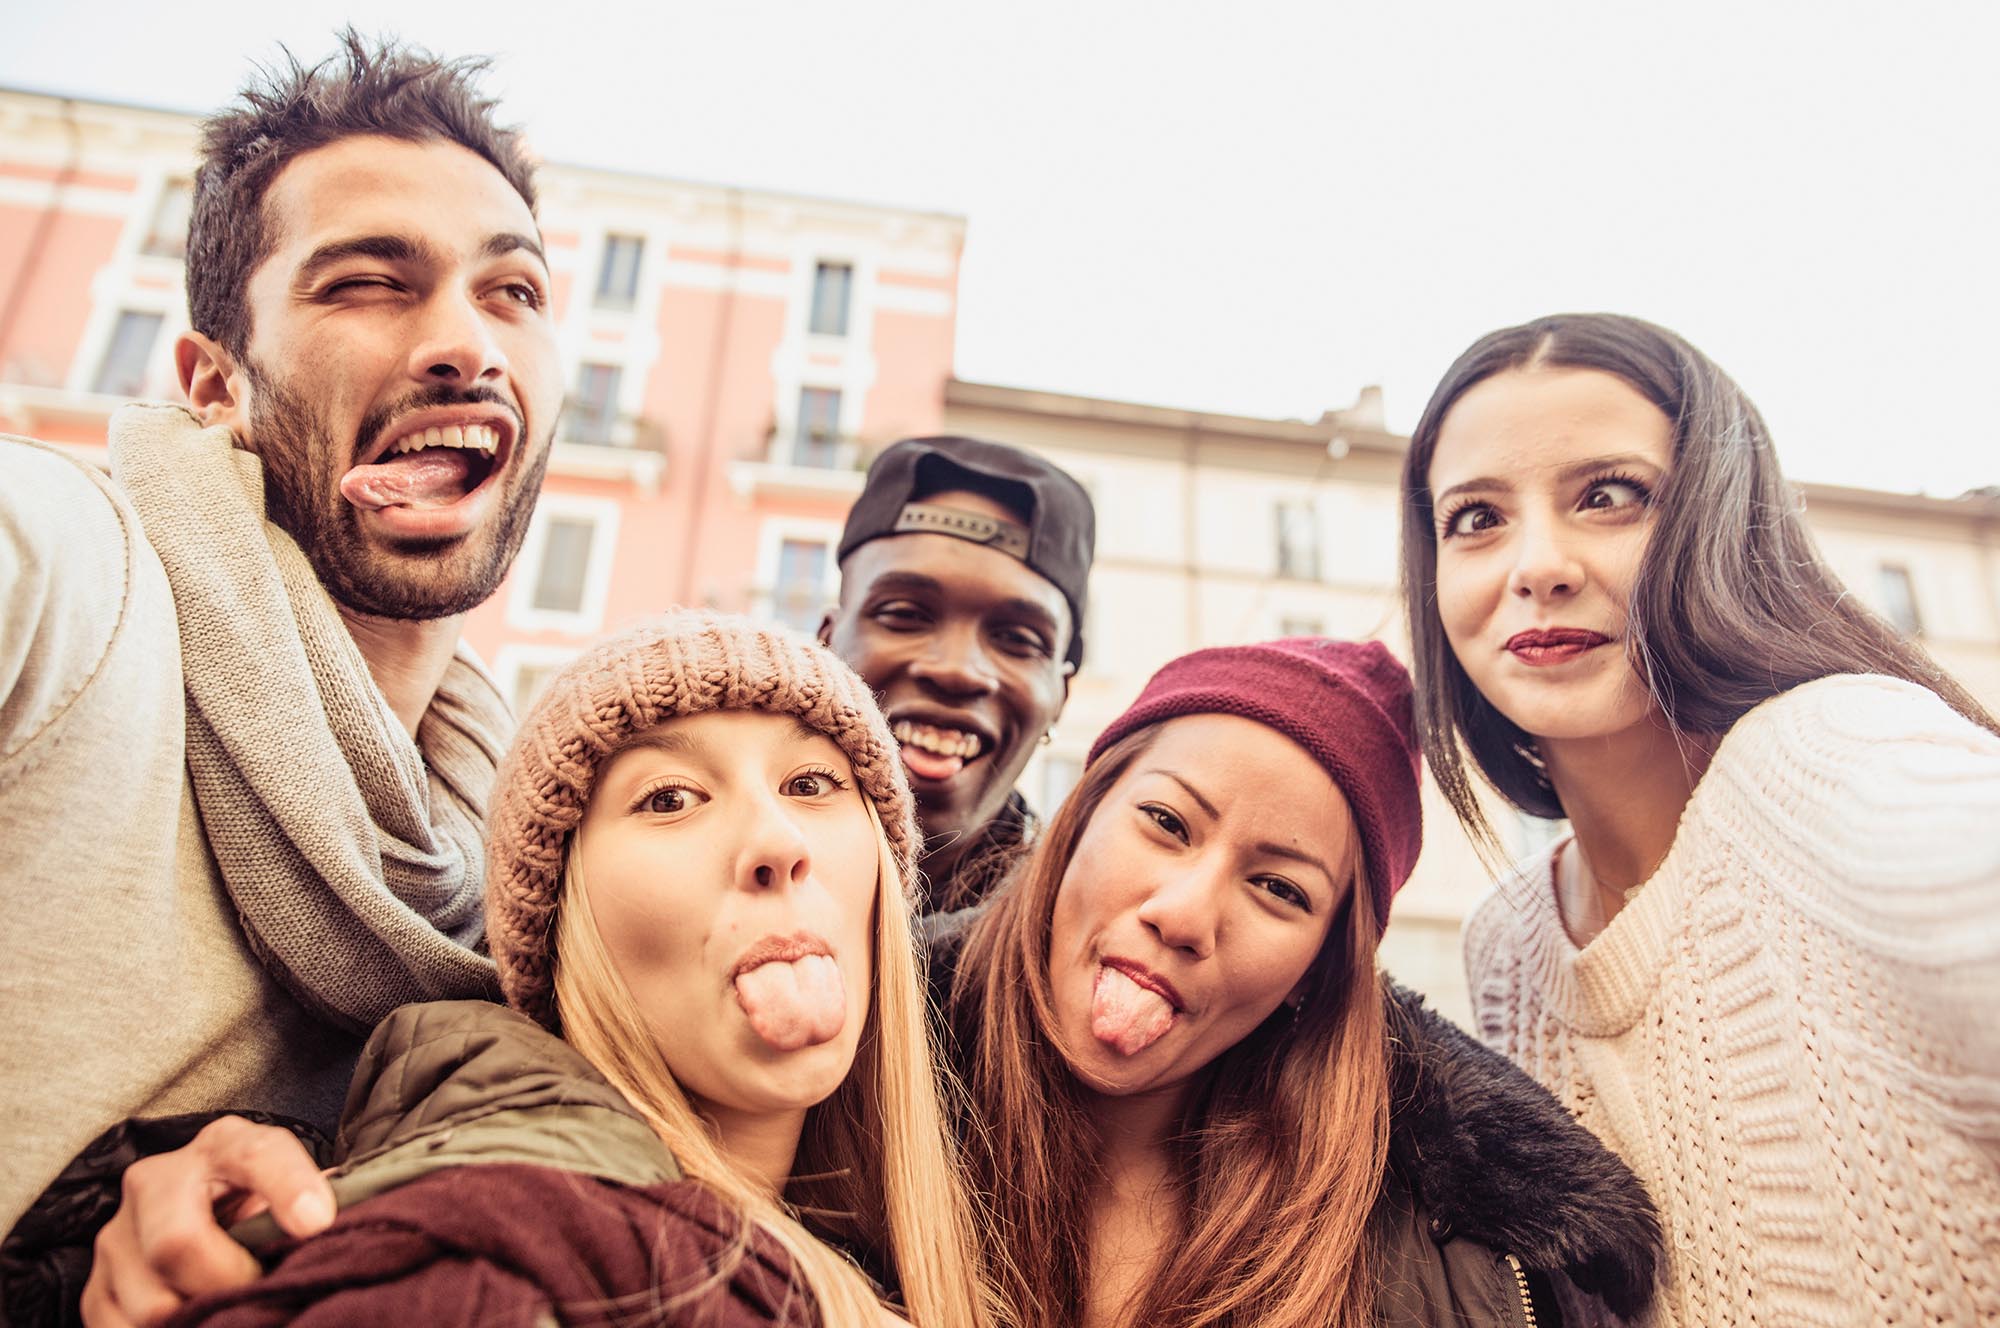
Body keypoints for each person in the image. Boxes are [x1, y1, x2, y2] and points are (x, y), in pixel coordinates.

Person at [0, 28, 560, 1295]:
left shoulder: (511, 874)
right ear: (213, 385)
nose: (464, 343)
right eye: (367, 281)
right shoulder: (72, 570)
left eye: (512, 291)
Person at [134, 612, 999, 1328]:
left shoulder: (891, 1251)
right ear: (562, 921)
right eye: (669, 799)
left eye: (813, 783)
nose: (779, 841)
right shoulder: (485, 1274)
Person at [1397, 312, 2000, 1326]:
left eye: (1608, 495)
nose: (1533, 564)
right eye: (1475, 517)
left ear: (1719, 517)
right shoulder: (1506, 944)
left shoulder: (1833, 759)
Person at [940, 637, 1664, 1327]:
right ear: (1081, 819)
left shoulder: (1439, 1278)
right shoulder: (847, 1085)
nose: (1185, 915)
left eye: (1280, 890)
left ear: (1315, 972)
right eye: (1165, 821)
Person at [821, 435, 1095, 911]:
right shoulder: (687, 872)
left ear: (1060, 697)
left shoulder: (1076, 950)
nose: (957, 672)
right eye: (904, 614)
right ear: (825, 644)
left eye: (1018, 639)